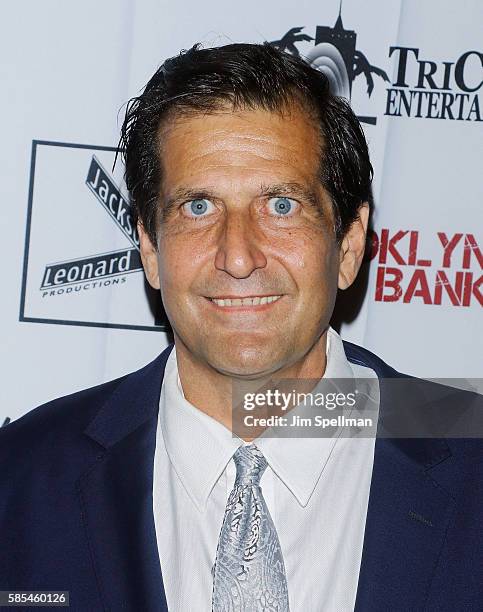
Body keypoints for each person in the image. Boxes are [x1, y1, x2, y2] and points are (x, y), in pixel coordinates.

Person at [1, 43, 482, 612]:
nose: (237, 255)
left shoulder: (471, 454)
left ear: (349, 244)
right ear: (151, 248)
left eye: (281, 205)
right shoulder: (19, 481)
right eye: (198, 208)